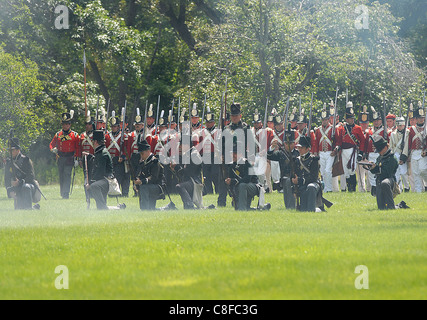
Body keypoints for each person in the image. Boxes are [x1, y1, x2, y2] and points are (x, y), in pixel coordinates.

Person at [83, 130, 123, 210]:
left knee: (94, 187)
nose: (92, 143)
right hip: (103, 179)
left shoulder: (102, 153)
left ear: (96, 142)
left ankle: (104, 207)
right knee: (100, 206)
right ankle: (115, 208)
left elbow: (99, 171)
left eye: (93, 141)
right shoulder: (100, 152)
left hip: (107, 180)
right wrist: (90, 156)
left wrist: (90, 183)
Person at [333, 102, 366, 192]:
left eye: (352, 118)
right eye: (350, 118)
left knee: (351, 169)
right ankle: (348, 188)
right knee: (345, 171)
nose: (352, 120)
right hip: (344, 151)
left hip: (353, 151)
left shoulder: (358, 128)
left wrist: (361, 153)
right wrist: (337, 147)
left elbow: (362, 141)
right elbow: (339, 141)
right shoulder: (341, 128)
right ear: (346, 119)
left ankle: (353, 189)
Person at [49, 111, 80, 199]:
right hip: (60, 157)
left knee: (67, 174)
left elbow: (77, 148)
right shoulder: (58, 134)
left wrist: (77, 159)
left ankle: (66, 193)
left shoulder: (75, 135)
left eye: (67, 124)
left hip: (70, 157)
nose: (65, 126)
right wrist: (53, 149)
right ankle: (62, 192)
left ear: (70, 125)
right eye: (64, 124)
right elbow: (51, 144)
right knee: (61, 175)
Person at [225, 142, 264, 211]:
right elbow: (231, 179)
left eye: (235, 153)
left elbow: (248, 179)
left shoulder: (247, 164)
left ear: (241, 154)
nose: (233, 155)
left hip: (253, 187)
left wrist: (235, 181)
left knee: (242, 185)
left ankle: (241, 209)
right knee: (246, 208)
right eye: (232, 153)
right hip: (241, 187)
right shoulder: (232, 166)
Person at [363, 136, 399, 210]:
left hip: (390, 181)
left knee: (385, 183)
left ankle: (392, 207)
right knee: (381, 208)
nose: (379, 152)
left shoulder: (392, 158)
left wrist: (375, 167)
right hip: (379, 181)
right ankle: (398, 206)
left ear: (385, 147)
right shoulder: (380, 157)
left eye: (380, 150)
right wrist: (371, 167)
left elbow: (386, 173)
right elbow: (376, 171)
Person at [5, 137, 41, 210]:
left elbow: (31, 177)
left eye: (12, 150)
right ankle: (33, 208)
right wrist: (9, 190)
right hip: (16, 188)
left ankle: (28, 208)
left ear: (18, 150)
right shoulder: (9, 162)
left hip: (28, 186)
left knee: (26, 186)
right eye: (9, 150)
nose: (10, 152)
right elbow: (7, 179)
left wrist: (20, 182)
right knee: (19, 209)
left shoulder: (26, 160)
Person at [267, 129, 299, 209]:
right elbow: (269, 156)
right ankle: (290, 207)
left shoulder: (298, 153)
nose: (288, 145)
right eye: (286, 143)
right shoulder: (281, 153)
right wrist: (272, 147)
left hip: (297, 178)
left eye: (290, 143)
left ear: (294, 143)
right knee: (287, 181)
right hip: (285, 178)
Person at [292, 135, 324, 212]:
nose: (299, 150)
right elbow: (294, 176)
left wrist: (300, 180)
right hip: (302, 186)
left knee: (311, 187)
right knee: (303, 210)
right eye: (299, 148)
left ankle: (312, 211)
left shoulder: (314, 160)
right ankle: (317, 210)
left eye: (301, 148)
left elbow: (313, 177)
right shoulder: (296, 160)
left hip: (313, 184)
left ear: (307, 148)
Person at [134, 139, 165, 211]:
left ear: (148, 151)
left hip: (157, 186)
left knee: (144, 187)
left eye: (142, 154)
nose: (141, 156)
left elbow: (154, 178)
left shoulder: (154, 162)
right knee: (142, 186)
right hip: (150, 186)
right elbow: (141, 174)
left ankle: (145, 210)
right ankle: (145, 208)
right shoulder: (144, 162)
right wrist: (137, 182)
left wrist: (141, 182)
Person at [364, 107, 387, 196]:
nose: (376, 122)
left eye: (378, 120)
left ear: (381, 121)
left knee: (380, 171)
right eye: (374, 120)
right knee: (371, 172)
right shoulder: (369, 131)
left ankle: (380, 187)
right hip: (371, 154)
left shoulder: (384, 131)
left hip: (380, 154)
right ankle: (374, 189)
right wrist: (365, 155)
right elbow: (366, 144)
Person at [313, 105, 334, 193]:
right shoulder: (318, 130)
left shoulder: (333, 129)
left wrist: (335, 150)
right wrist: (316, 152)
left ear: (328, 119)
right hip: (321, 153)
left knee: (327, 171)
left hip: (330, 152)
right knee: (322, 171)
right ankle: (324, 189)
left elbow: (336, 141)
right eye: (323, 120)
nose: (324, 121)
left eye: (326, 119)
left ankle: (329, 188)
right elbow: (316, 142)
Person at [408, 102, 427, 193]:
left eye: (422, 118)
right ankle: (419, 190)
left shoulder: (426, 128)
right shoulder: (412, 129)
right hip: (414, 152)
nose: (421, 119)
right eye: (419, 118)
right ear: (416, 119)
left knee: (423, 170)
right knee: (415, 173)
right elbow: (408, 143)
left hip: (423, 153)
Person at [389, 117, 410, 192]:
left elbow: (407, 145)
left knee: (404, 173)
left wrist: (403, 157)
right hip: (395, 154)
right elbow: (391, 146)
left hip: (402, 155)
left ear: (404, 125)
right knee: (396, 173)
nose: (399, 127)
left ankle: (407, 187)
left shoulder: (407, 133)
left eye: (401, 126)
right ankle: (399, 189)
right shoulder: (393, 134)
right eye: (398, 126)